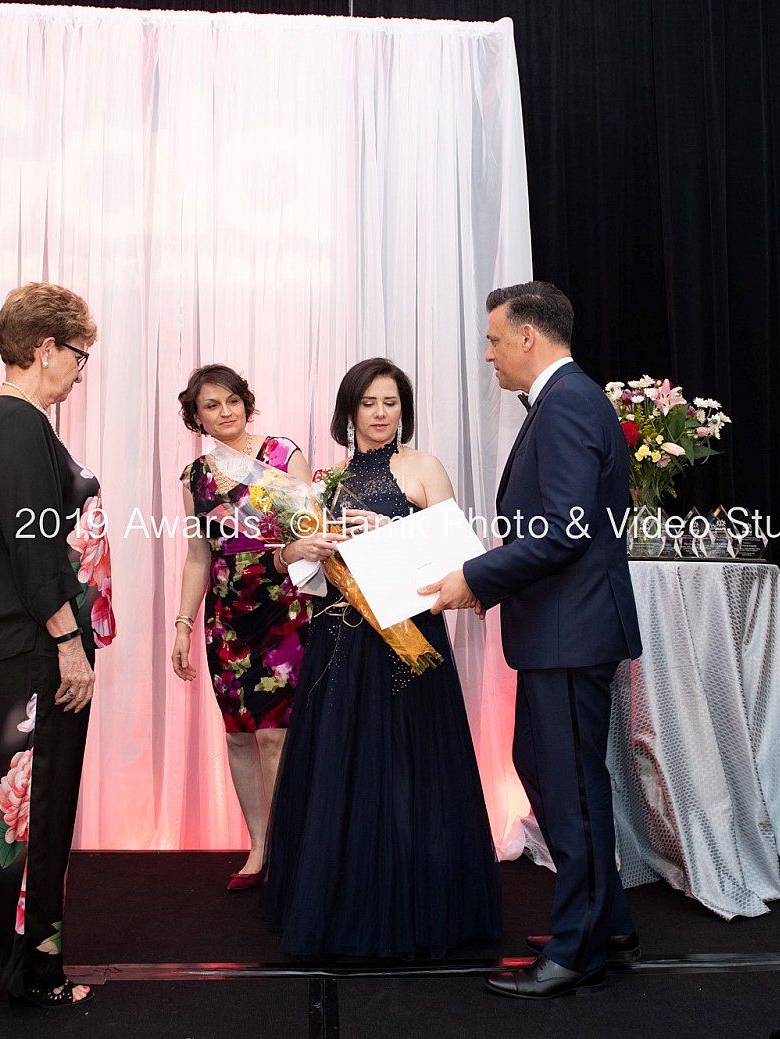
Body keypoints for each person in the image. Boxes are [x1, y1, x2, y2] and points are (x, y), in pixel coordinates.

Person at [423, 282, 642, 998]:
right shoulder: (567, 399)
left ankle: (579, 949)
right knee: (548, 769)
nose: (488, 354)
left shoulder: (568, 401)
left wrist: (475, 577)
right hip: (563, 627)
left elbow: (564, 532)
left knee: (569, 784)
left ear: (527, 336)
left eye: (493, 339)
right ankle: (606, 919)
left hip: (571, 631)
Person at [261, 358, 500, 958]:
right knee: (344, 771)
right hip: (342, 645)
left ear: (404, 409)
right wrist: (302, 546)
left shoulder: (423, 468)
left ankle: (420, 905)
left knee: (410, 771)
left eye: (391, 402)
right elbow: (287, 563)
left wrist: (389, 528)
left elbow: (457, 558)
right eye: (369, 402)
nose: (380, 413)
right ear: (349, 409)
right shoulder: (326, 482)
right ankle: (343, 905)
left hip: (408, 643)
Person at [0, 283, 111, 1007]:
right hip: (32, 649)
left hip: (20, 647)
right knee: (35, 808)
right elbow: (32, 548)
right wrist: (69, 644)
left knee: (19, 809)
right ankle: (28, 973)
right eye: (80, 355)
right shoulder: (17, 423)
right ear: (45, 348)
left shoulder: (10, 421)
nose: (81, 371)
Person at [173, 365, 327, 890]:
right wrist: (183, 625)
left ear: (246, 402)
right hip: (225, 616)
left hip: (284, 608)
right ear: (196, 418)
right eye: (211, 406)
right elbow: (198, 556)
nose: (225, 412)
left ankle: (288, 848)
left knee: (276, 737)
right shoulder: (196, 477)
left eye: (232, 400)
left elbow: (314, 534)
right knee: (239, 735)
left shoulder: (282, 455)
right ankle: (258, 845)